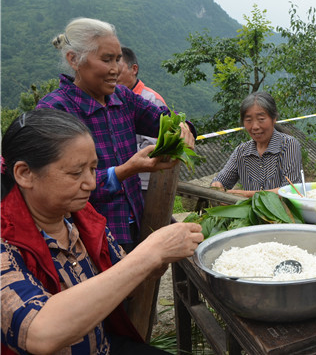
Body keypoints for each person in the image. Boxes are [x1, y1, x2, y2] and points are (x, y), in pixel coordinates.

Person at [1, 109, 204, 355]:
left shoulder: (83, 218)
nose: (91, 183)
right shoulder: (6, 241)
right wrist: (151, 252)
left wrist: (160, 259)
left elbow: (124, 278)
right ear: (25, 174)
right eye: (76, 173)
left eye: (93, 169)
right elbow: (39, 333)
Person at [36, 17, 196, 252]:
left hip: (134, 226)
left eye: (118, 58)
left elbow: (166, 119)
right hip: (86, 238)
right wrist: (126, 170)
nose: (116, 69)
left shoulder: (123, 98)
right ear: (74, 60)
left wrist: (185, 129)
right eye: (106, 59)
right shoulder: (55, 110)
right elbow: (57, 186)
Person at [211, 91, 302, 198]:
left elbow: (291, 190)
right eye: (248, 120)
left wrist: (245, 195)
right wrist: (217, 186)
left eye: (261, 119)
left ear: (274, 118)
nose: (255, 126)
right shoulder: (241, 152)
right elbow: (221, 181)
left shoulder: (289, 145)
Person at [117, 46, 166, 195]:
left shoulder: (151, 100)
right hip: (119, 178)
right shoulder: (111, 98)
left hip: (143, 181)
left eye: (118, 70)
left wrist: (115, 152)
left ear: (134, 69)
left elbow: (151, 146)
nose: (112, 73)